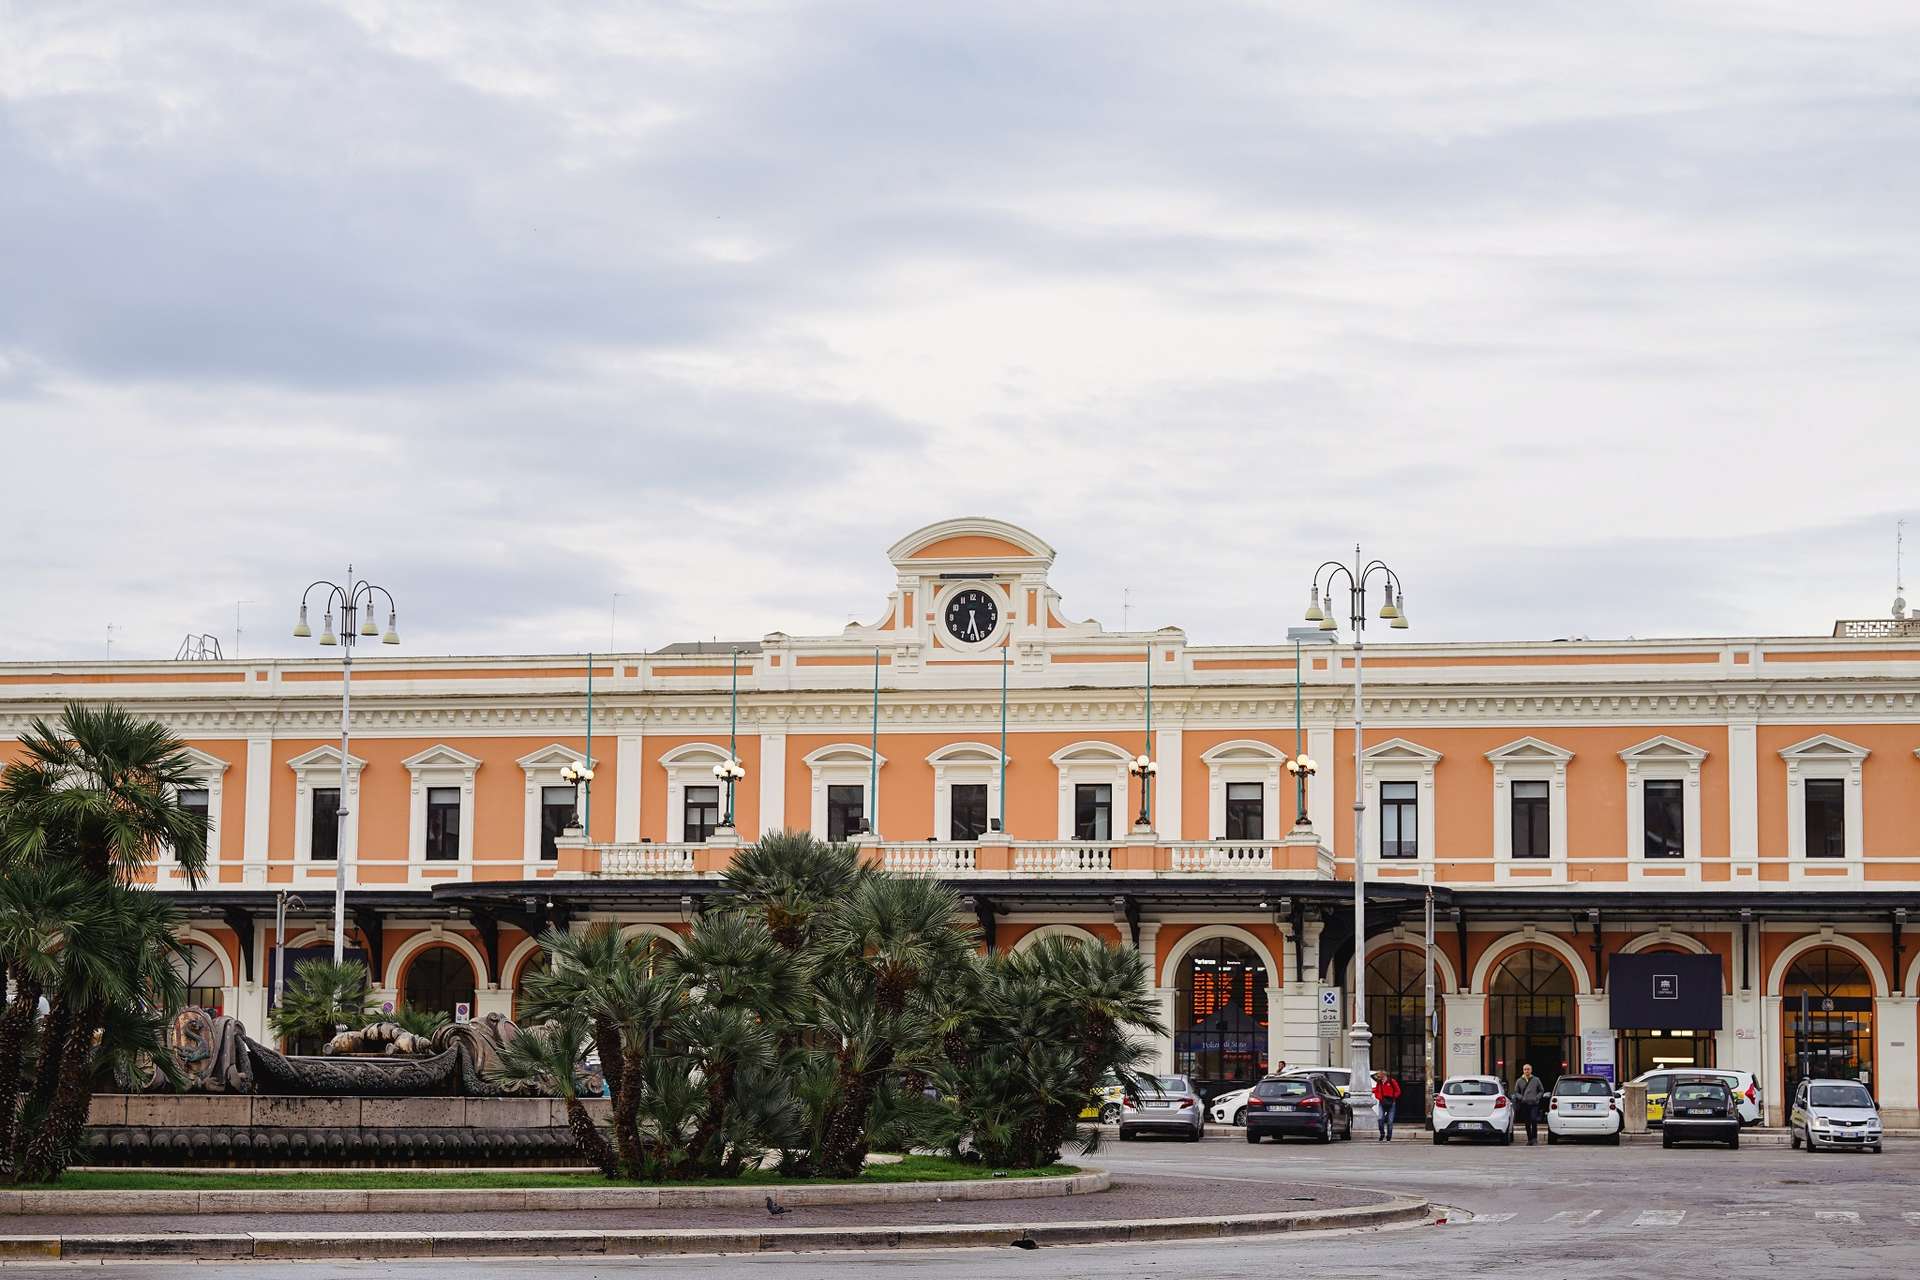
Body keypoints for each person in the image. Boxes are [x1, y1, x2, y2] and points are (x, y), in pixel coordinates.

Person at [1513, 1063, 1547, 1144]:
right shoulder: (1519, 1080)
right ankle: (1529, 1139)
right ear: (1523, 1070)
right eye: (1525, 1069)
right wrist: (1521, 1098)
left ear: (1531, 1070)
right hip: (1524, 1104)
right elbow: (1516, 1092)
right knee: (1527, 1122)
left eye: (1528, 1069)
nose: (1526, 1071)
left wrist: (1537, 1098)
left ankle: (1535, 1138)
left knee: (1534, 1119)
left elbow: (1541, 1090)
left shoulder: (1536, 1079)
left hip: (1534, 1103)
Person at [1372, 1071, 1402, 1141]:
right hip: (1382, 1102)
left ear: (1384, 1076)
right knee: (1380, 1118)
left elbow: (1398, 1091)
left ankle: (1389, 1136)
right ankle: (1382, 1133)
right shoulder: (1379, 1083)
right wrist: (1379, 1097)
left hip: (1391, 1102)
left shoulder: (1392, 1081)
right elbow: (1377, 1090)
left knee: (1390, 1121)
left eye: (1379, 1077)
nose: (1379, 1078)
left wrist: (1393, 1097)